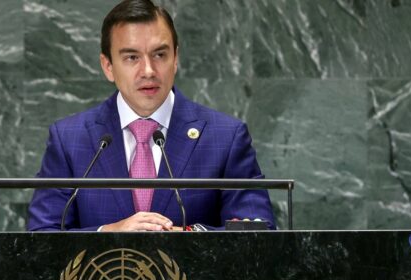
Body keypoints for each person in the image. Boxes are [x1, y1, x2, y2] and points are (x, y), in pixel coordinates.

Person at [27, 0, 275, 231]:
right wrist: (107, 232)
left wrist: (183, 237)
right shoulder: (69, 139)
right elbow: (41, 236)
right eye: (132, 57)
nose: (148, 70)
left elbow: (257, 233)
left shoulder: (225, 137)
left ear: (175, 58)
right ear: (108, 66)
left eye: (159, 54)